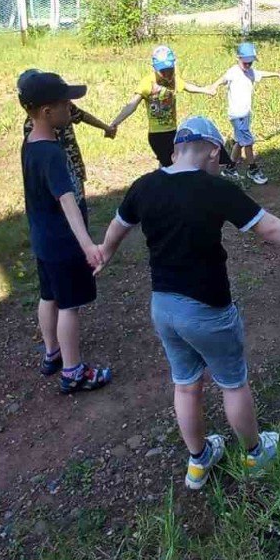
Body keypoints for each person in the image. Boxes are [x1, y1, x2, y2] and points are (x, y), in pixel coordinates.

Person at [97, 116, 280, 489]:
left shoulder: (144, 186)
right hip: (207, 309)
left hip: (164, 308)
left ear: (175, 150)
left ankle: (199, 462)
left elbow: (119, 225)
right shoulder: (213, 189)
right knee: (233, 384)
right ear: (213, 151)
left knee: (185, 385)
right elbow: (269, 228)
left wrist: (104, 252)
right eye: (219, 161)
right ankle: (254, 454)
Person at [18, 70, 112, 394]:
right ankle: (73, 372)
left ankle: (52, 353)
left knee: (49, 296)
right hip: (63, 242)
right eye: (64, 104)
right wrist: (87, 246)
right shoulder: (53, 153)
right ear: (47, 111)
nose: (69, 109)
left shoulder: (30, 143)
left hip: (43, 240)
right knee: (69, 305)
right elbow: (67, 200)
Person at [108, 45, 216, 168]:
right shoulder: (147, 83)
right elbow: (131, 105)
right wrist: (115, 123)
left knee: (168, 164)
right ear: (154, 68)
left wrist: (205, 90)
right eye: (162, 71)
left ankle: (162, 183)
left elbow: (187, 87)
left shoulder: (174, 80)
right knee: (173, 164)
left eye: (170, 69)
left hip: (173, 131)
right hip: (157, 134)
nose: (167, 74)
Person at [22, 84, 117, 202]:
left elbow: (81, 115)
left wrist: (105, 127)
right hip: (59, 174)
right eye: (67, 104)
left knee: (78, 197)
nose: (70, 106)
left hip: (73, 162)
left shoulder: (60, 109)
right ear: (46, 111)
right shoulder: (38, 140)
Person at [206, 42, 280, 184]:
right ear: (238, 58)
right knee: (248, 142)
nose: (247, 65)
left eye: (250, 63)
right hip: (237, 115)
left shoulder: (251, 72)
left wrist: (278, 74)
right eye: (245, 62)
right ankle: (252, 169)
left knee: (240, 142)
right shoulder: (233, 72)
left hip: (246, 114)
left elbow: (262, 74)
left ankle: (230, 168)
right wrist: (213, 87)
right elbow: (222, 80)